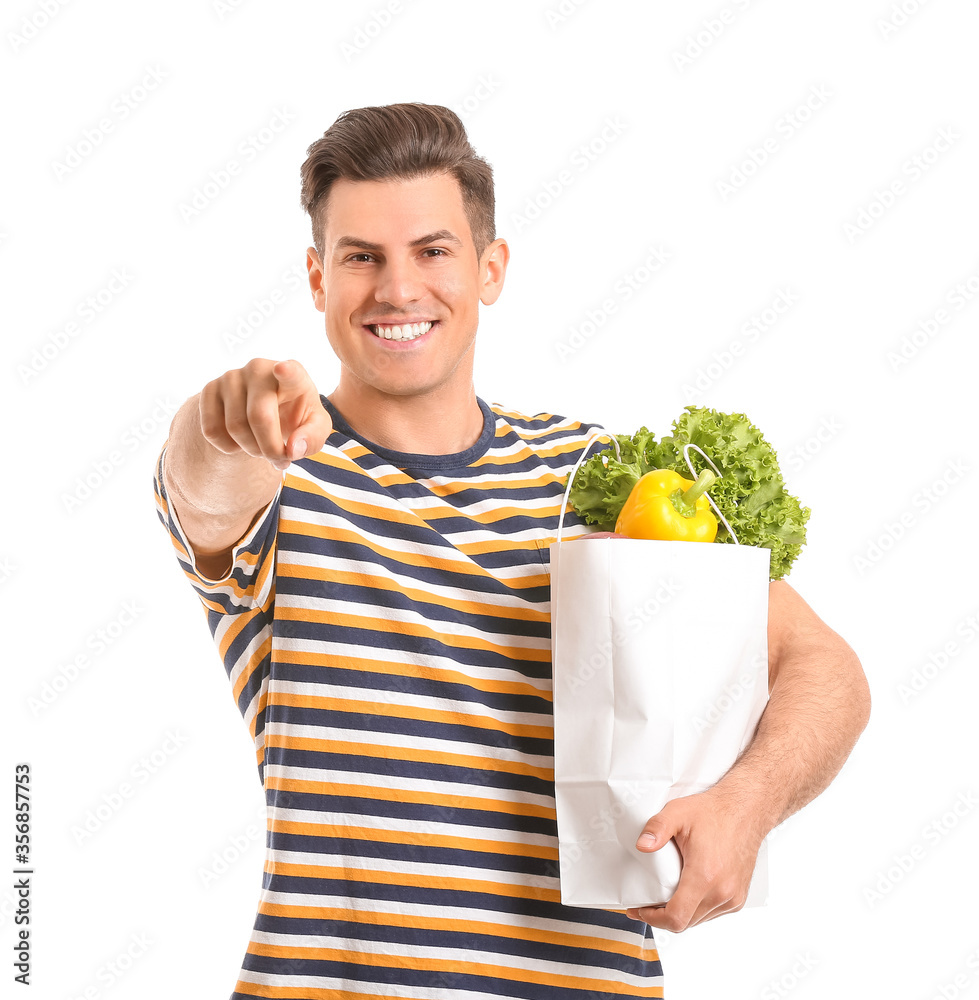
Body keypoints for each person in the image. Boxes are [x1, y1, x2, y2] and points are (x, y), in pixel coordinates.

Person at [155, 102, 871, 999]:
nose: (398, 289)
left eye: (433, 250)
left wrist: (746, 803)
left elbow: (820, 662)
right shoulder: (283, 473)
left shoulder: (597, 479)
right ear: (316, 277)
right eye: (360, 257)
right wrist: (228, 415)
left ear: (490, 268)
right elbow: (202, 478)